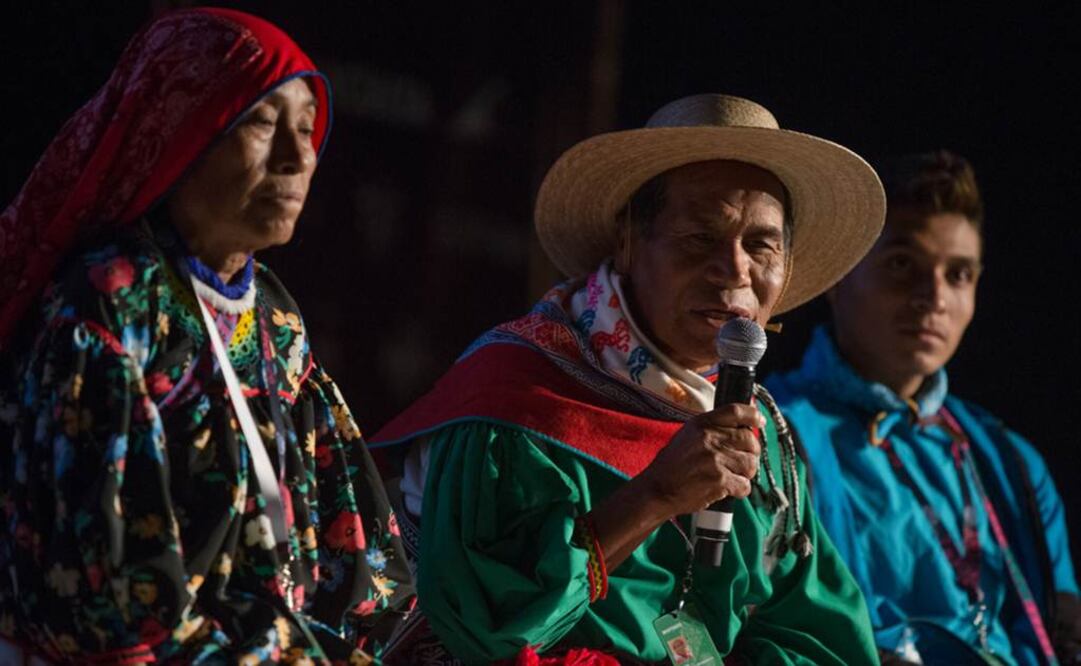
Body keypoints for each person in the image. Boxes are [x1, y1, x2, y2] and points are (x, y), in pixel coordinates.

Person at [371, 94, 886, 664]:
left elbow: (816, 635)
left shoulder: (760, 435)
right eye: (699, 238)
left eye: (761, 245)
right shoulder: (511, 400)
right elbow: (485, 626)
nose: (735, 269)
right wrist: (655, 496)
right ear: (628, 240)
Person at [0, 9, 413, 664]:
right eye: (260, 121)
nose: (297, 156)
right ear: (177, 133)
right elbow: (112, 603)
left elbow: (348, 531)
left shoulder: (271, 311)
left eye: (306, 129)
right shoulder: (110, 307)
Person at [766, 150, 1081, 665]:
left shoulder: (1010, 461)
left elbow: (1061, 634)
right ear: (837, 276)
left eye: (958, 275)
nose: (933, 296)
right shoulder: (772, 434)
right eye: (901, 265)